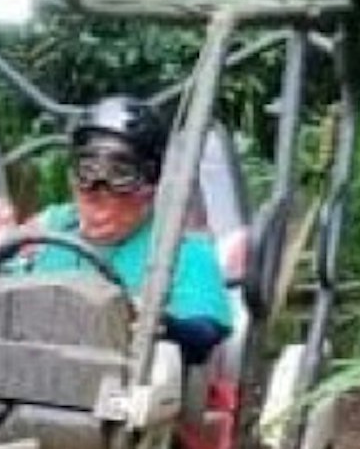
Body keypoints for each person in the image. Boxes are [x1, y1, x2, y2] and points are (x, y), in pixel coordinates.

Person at [19, 94, 234, 367]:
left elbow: (205, 333)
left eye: (120, 174)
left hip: (126, 392)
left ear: (150, 185)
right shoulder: (46, 230)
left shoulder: (182, 249)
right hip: (27, 373)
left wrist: (164, 325)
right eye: (87, 170)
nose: (99, 193)